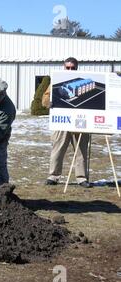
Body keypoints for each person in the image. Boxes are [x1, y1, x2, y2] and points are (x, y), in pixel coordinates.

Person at [42, 57, 92, 188]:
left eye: (72, 67)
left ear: (77, 68)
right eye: (67, 67)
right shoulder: (56, 81)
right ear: (64, 67)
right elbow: (45, 98)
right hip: (62, 122)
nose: (70, 69)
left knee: (81, 150)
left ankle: (81, 178)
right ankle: (53, 176)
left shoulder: (84, 80)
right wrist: (48, 102)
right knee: (57, 149)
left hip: (81, 122)